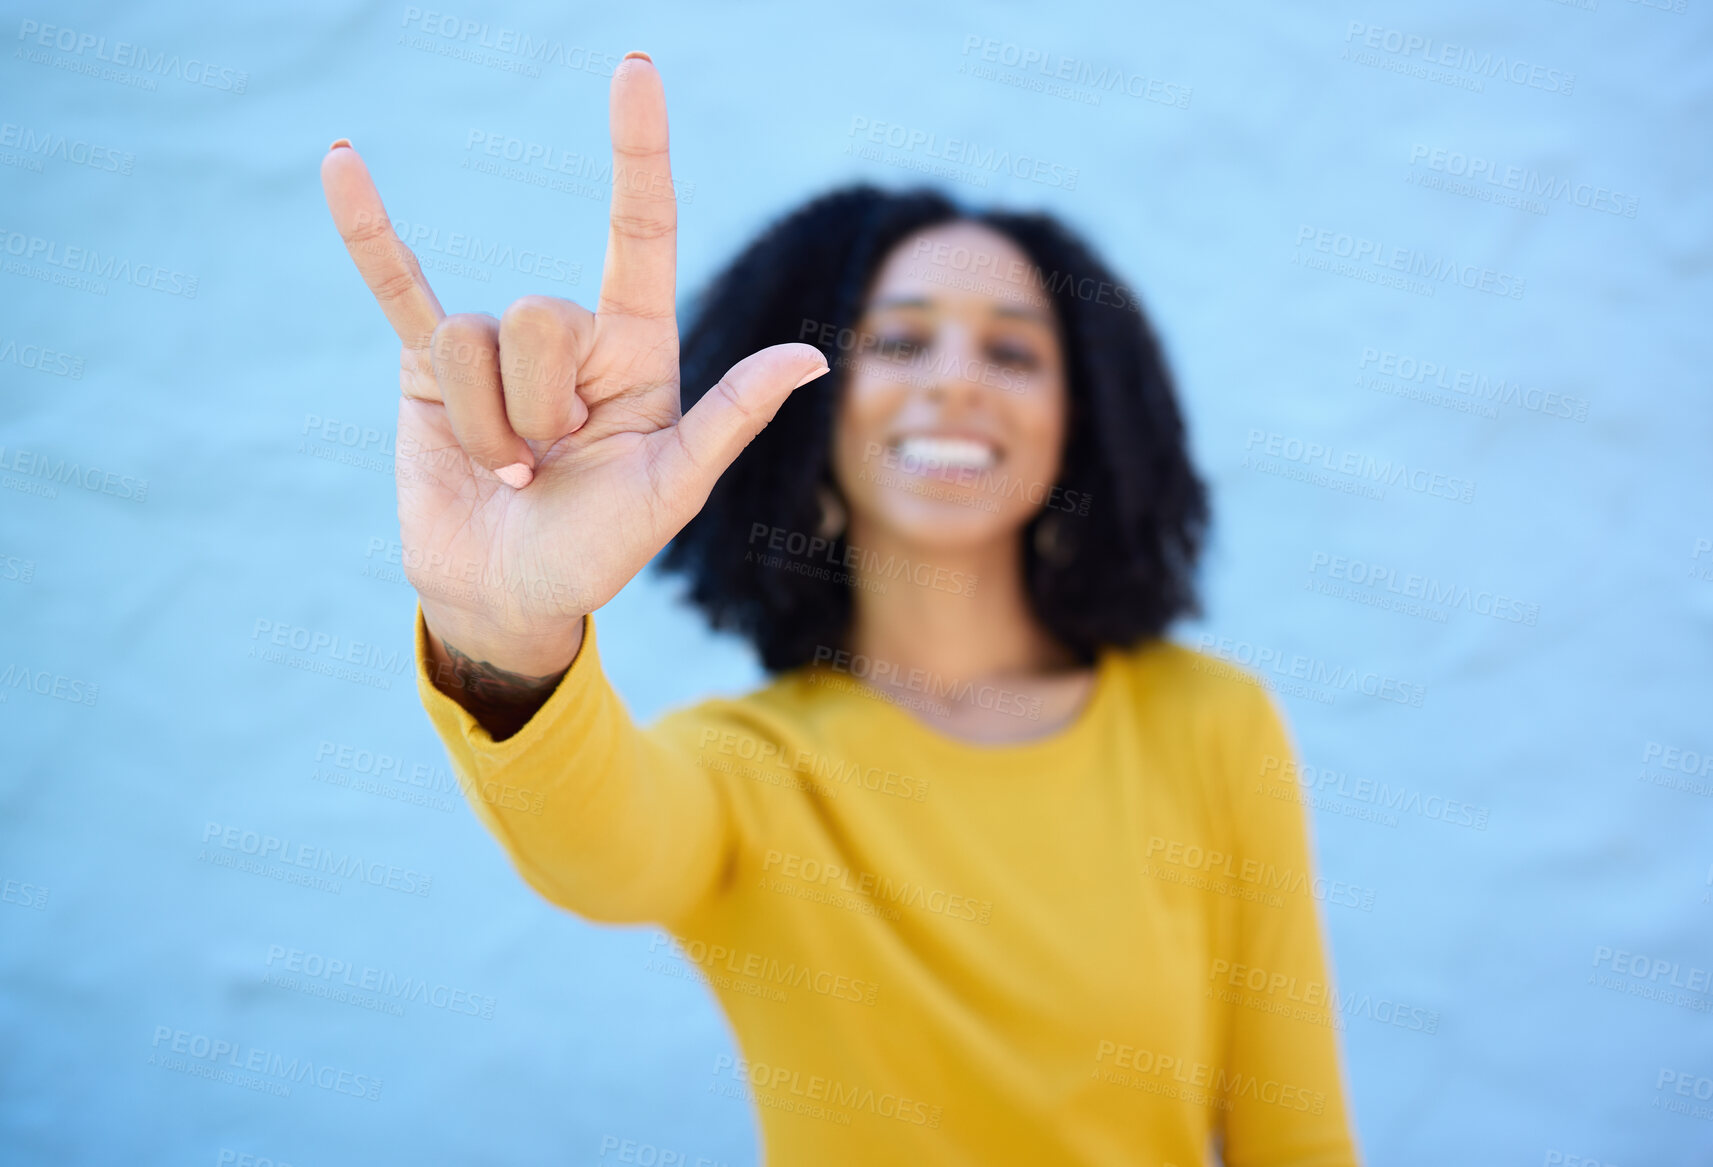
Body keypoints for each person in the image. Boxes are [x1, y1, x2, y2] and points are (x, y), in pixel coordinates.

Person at [319, 50, 1362, 1167]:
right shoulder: (755, 773)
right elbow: (598, 849)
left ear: (1086, 424)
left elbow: (1295, 1140)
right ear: (813, 424)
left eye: (1014, 349)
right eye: (900, 340)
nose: (957, 379)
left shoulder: (1209, 725)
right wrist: (507, 623)